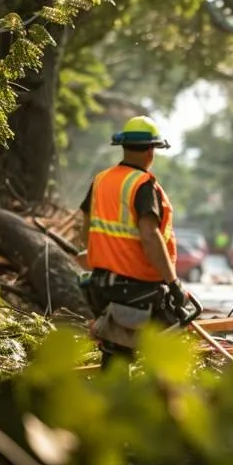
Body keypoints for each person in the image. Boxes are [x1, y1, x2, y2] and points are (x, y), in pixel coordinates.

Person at [80, 115, 189, 368]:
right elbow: (150, 236)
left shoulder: (101, 180)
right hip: (137, 289)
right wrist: (173, 283)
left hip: (101, 284)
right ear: (151, 150)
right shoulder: (143, 185)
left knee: (116, 354)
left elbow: (85, 229)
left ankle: (112, 401)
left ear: (124, 146)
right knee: (163, 351)